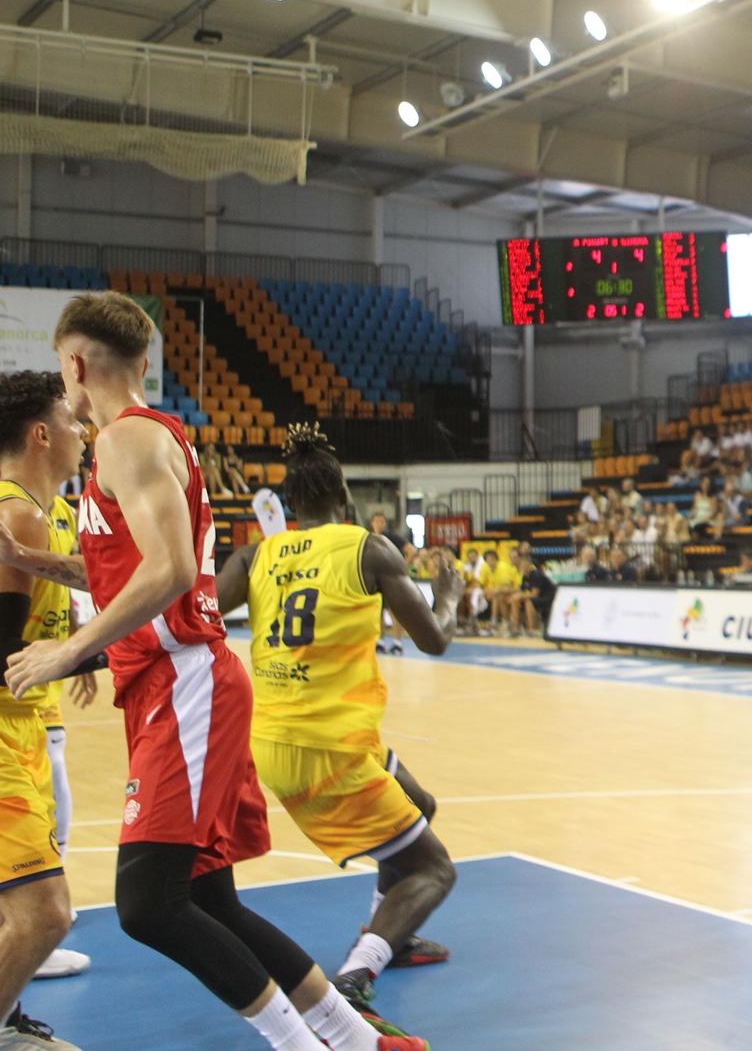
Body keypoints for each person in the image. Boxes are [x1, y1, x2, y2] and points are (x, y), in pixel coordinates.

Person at [0, 294, 429, 1051]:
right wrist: (35, 562)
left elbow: (165, 574)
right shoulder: (139, 441)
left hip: (184, 683)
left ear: (75, 362)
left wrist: (68, 650)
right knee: (207, 898)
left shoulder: (126, 441)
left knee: (146, 903)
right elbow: (124, 568)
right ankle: (361, 1039)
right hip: (171, 683)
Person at [215, 424, 465, 1028]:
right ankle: (357, 976)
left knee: (418, 804)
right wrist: (450, 594)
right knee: (435, 869)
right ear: (344, 494)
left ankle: (393, 935)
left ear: (291, 504)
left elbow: (198, 616)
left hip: (275, 740)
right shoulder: (369, 549)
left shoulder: (255, 554)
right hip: (330, 748)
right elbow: (433, 640)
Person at [0, 372, 100, 1048]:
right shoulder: (17, 513)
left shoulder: (40, 511)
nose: (83, 431)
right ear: (41, 434)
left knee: (25, 909)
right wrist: (101, 653)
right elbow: (3, 650)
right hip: (5, 730)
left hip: (25, 725)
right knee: (46, 913)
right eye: (71, 420)